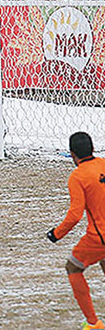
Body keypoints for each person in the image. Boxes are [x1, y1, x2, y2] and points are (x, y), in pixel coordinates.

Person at [46, 132, 105, 330]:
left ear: (72, 154)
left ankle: (93, 323)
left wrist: (56, 234)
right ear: (93, 149)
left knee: (73, 268)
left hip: (100, 237)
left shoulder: (78, 176)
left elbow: (75, 215)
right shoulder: (103, 164)